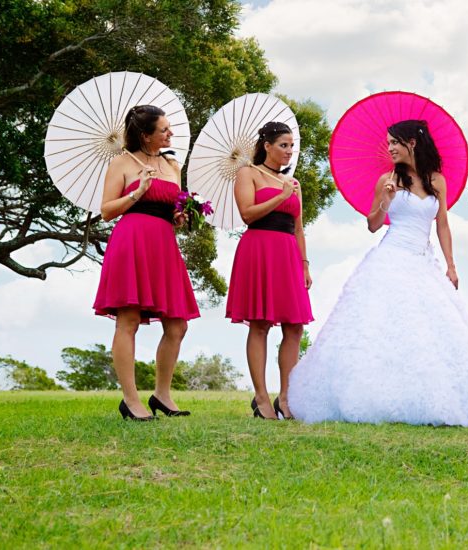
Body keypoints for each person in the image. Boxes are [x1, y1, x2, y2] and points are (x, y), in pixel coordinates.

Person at [288, 119, 468, 426]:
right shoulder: (387, 179)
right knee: (381, 327)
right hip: (390, 257)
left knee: (428, 329)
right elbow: (372, 224)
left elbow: (442, 226)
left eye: (395, 143)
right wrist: (384, 201)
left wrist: (451, 265)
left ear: (412, 142)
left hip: (424, 262)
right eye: (388, 144)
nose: (390, 149)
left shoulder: (437, 181)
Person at [94, 105, 199, 421]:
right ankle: (130, 399)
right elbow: (107, 211)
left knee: (177, 324)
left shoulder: (172, 165)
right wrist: (137, 191)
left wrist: (180, 216)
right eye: (164, 130)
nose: (171, 134)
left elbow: (172, 207)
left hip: (164, 245)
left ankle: (162, 394)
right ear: (145, 135)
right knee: (128, 321)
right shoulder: (122, 163)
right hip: (132, 242)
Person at [225, 121, 313, 420]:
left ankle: (286, 397)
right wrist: (279, 195)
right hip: (259, 249)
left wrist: (304, 265)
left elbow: (299, 228)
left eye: (291, 146)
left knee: (295, 326)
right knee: (260, 323)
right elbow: (248, 214)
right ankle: (261, 398)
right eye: (283, 145)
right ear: (267, 146)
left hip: (288, 253)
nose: (289, 151)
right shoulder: (247, 173)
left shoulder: (295, 183)